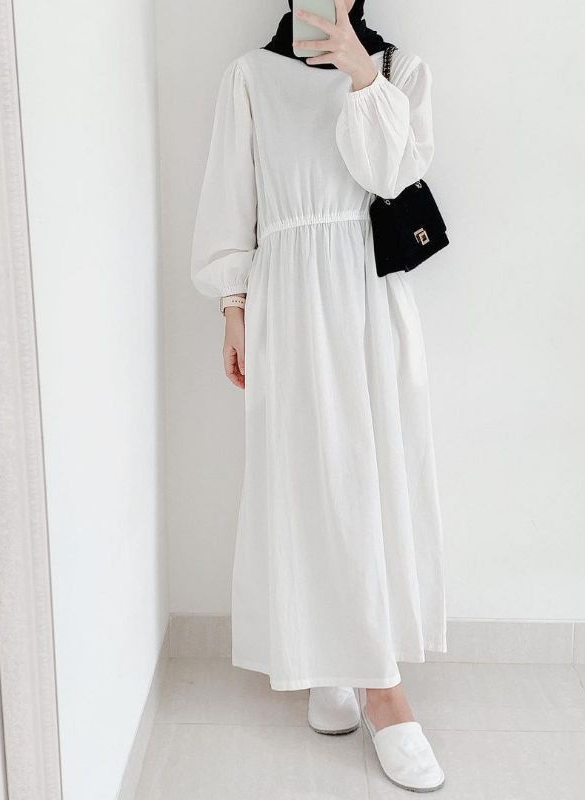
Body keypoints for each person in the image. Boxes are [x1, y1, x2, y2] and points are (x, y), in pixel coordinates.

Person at [190, 0, 446, 791]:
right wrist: (233, 308)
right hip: (289, 305)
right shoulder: (250, 77)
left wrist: (364, 79)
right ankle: (339, 661)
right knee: (309, 484)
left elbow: (395, 177)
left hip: (368, 302)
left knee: (371, 485)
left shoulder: (399, 71)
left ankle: (381, 687)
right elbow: (230, 200)